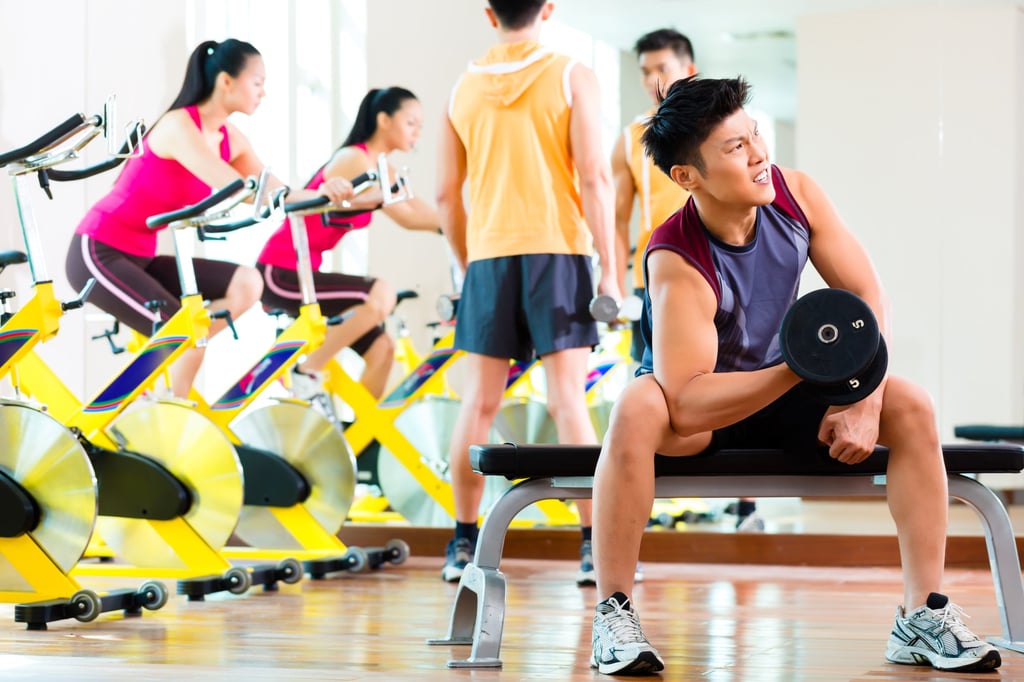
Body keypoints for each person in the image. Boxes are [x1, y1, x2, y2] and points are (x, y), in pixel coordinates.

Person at [589, 75, 1001, 675]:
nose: (759, 155)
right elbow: (689, 404)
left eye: (754, 135)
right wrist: (797, 368)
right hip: (706, 409)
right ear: (688, 177)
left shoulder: (795, 195)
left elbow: (864, 294)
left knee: (910, 404)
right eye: (735, 148)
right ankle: (614, 616)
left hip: (779, 385)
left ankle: (921, 614)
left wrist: (864, 397)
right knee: (637, 405)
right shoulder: (677, 259)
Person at [436, 0, 621, 585]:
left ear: (489, 14)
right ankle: (594, 547)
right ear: (548, 8)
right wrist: (611, 270)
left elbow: (446, 195)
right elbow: (594, 176)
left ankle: (462, 544)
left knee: (479, 404)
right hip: (558, 253)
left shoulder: (461, 88)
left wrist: (470, 269)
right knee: (567, 401)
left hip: (489, 257)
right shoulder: (572, 74)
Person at [66, 38, 354, 398]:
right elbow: (233, 186)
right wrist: (282, 195)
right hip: (97, 251)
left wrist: (324, 192)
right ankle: (174, 409)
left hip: (142, 257)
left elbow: (275, 191)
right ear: (226, 81)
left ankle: (162, 380)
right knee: (186, 332)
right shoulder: (178, 126)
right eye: (258, 82)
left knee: (247, 284)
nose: (263, 93)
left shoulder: (229, 138)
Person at [614, 27, 763, 534]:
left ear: (688, 70)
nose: (653, 79)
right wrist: (616, 280)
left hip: (725, 268)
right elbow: (618, 217)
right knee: (653, 396)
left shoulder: (723, 139)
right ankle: (641, 503)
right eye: (645, 71)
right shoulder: (634, 141)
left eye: (663, 68)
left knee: (738, 371)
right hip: (660, 274)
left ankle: (746, 503)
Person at [256, 86, 441, 401]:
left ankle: (359, 438)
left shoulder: (382, 167)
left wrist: (463, 225)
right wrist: (460, 228)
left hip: (306, 272)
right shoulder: (354, 158)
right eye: (411, 123)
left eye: (420, 126)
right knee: (381, 293)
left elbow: (422, 210)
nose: (416, 133)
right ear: (384, 120)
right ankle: (306, 372)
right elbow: (407, 218)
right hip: (280, 270)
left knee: (383, 349)